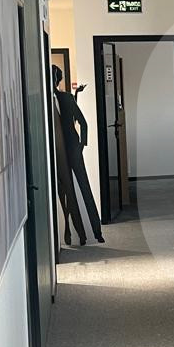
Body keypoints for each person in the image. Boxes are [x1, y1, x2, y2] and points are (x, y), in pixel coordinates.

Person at [52, 65, 104, 244]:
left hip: (72, 148)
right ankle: (73, 233)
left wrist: (81, 145)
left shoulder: (66, 98)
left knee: (83, 186)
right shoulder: (47, 101)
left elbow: (83, 122)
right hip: (58, 152)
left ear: (57, 80)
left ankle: (95, 231)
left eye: (53, 77)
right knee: (64, 191)